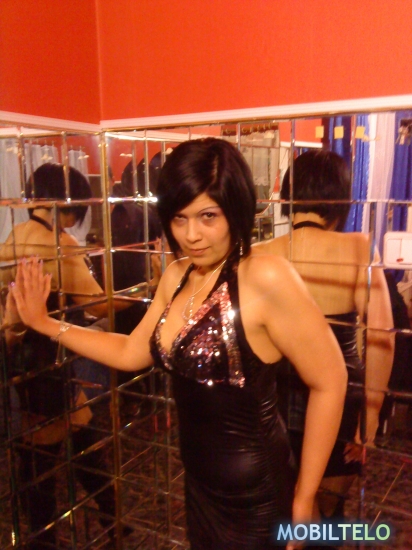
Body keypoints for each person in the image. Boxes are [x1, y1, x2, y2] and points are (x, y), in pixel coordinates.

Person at [11, 139, 347, 550]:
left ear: (236, 209)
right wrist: (46, 324)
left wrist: (305, 496)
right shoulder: (177, 275)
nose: (191, 236)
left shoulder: (266, 276)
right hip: (199, 487)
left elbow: (331, 379)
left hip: (257, 498)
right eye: (179, 218)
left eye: (208, 216)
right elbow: (131, 352)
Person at [254, 149, 394, 520]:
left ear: (287, 195)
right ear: (340, 199)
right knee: (330, 513)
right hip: (341, 396)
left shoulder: (261, 255)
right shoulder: (359, 248)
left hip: (275, 396)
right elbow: (382, 338)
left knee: (291, 503)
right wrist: (370, 419)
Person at [0, 163, 127, 549]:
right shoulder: (60, 244)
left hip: (20, 356)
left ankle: (110, 519)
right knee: (44, 456)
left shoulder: (15, 236)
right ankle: (49, 537)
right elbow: (97, 304)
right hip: (50, 358)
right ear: (67, 204)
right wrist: (145, 292)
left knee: (76, 431)